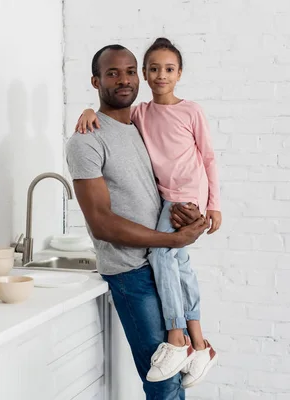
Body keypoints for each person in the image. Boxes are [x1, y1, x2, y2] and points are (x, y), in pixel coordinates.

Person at [74, 38, 220, 388]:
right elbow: (101, 222)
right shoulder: (93, 135)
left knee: (179, 268)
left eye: (128, 72)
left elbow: (205, 157)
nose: (124, 79)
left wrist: (208, 207)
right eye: (113, 73)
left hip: (171, 227)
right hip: (129, 271)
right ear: (96, 82)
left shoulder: (141, 121)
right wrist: (87, 111)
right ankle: (186, 341)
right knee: (164, 384)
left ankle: (194, 342)